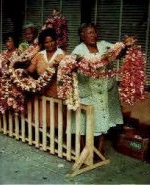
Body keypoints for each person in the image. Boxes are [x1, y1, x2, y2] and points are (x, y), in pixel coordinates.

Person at [71, 23, 123, 152]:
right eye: (89, 32)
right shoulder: (78, 50)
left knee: (103, 119)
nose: (93, 35)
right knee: (85, 123)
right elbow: (72, 66)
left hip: (105, 90)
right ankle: (84, 151)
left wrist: (125, 46)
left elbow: (118, 53)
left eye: (94, 32)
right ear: (82, 36)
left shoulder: (104, 45)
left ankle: (99, 150)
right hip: (88, 91)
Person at [26, 28, 66, 128]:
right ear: (43, 44)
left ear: (56, 40)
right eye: (46, 42)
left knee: (56, 122)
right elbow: (30, 70)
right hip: (41, 92)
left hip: (57, 93)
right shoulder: (39, 55)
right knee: (41, 121)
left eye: (52, 41)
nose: (50, 44)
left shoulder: (63, 55)